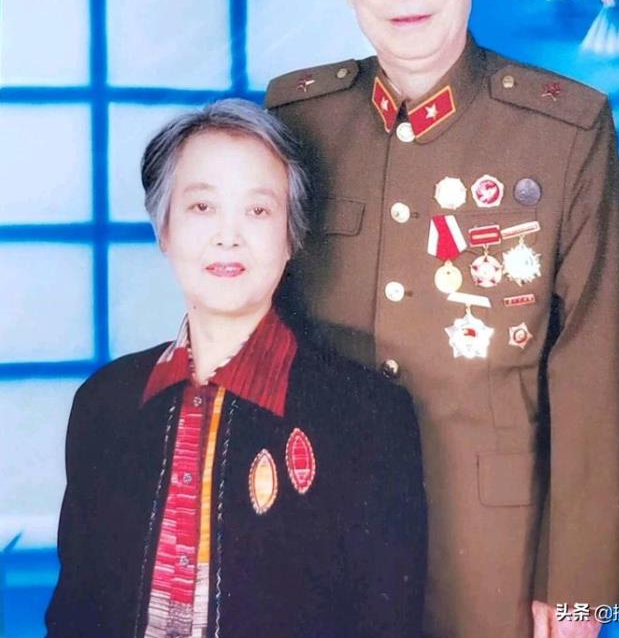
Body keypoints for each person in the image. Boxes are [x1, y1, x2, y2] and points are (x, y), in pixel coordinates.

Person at [265, 0, 619, 638]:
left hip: (494, 549)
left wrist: (579, 591)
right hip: (321, 528)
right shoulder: (297, 120)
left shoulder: (564, 131)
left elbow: (590, 371)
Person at [45, 99, 426, 638]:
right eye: (202, 207)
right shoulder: (104, 402)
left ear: (292, 237)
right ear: (164, 230)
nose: (228, 236)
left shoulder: (368, 415)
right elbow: (73, 613)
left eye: (258, 210)